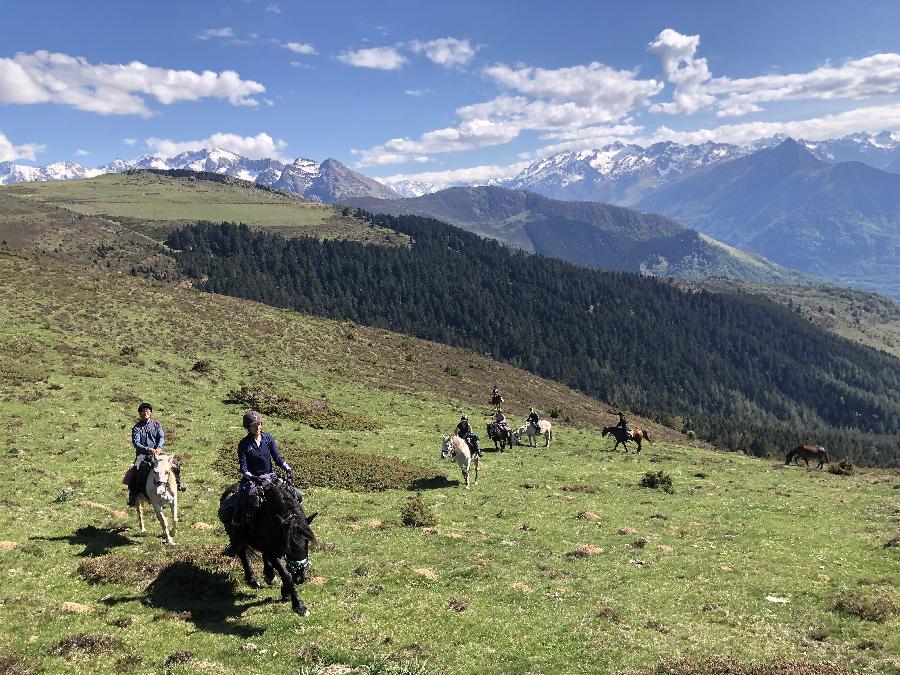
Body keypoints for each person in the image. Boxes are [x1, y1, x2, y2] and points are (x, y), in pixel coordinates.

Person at [225, 410, 296, 556]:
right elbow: (243, 468)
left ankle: (296, 528)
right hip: (252, 480)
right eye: (254, 425)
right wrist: (252, 477)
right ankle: (236, 540)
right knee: (241, 503)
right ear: (248, 427)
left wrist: (287, 468)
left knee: (296, 495)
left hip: (270, 477)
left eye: (259, 424)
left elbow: (277, 458)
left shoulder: (268, 438)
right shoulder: (244, 444)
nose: (258, 427)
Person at [128, 402, 185, 507]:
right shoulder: (136, 428)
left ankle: (178, 483)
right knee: (137, 470)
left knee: (175, 463)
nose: (146, 413)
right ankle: (134, 494)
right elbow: (136, 443)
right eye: (143, 411)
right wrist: (147, 449)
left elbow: (161, 436)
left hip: (158, 452)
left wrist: (159, 447)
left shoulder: (156, 424)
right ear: (140, 414)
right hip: (143, 454)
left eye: (147, 411)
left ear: (150, 413)